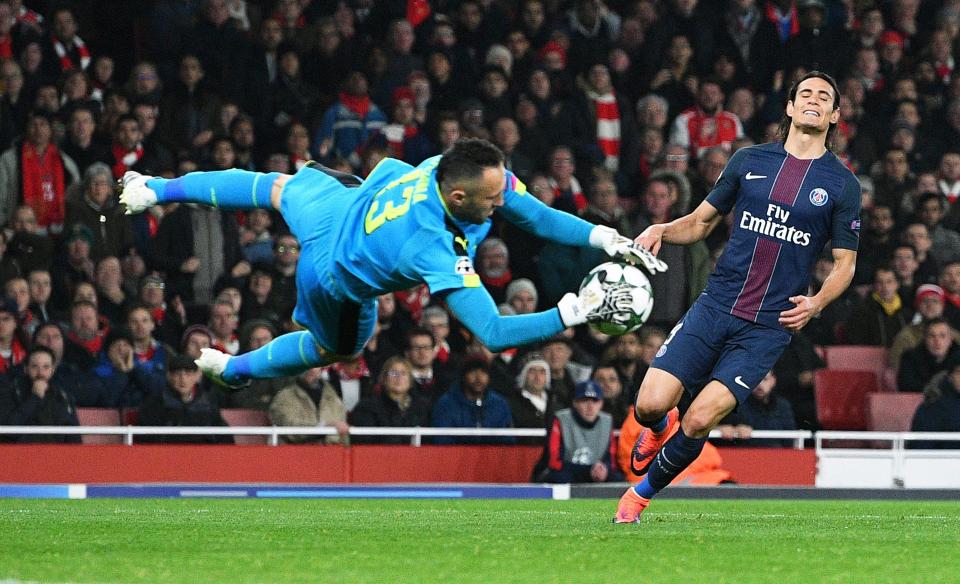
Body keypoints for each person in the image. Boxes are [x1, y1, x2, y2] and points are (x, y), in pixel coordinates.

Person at [120, 138, 661, 389]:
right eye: (493, 199)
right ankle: (236, 371)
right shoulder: (434, 246)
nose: (503, 203)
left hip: (345, 204)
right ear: (457, 199)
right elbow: (492, 333)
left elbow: (534, 214)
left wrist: (604, 237)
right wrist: (572, 313)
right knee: (337, 347)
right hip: (334, 272)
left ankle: (154, 187)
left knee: (276, 187)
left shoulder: (446, 168)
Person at [615, 71, 860, 523]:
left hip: (768, 326)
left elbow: (845, 264)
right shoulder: (749, 160)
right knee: (649, 405)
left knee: (699, 419)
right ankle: (657, 427)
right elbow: (703, 221)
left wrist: (817, 303)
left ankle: (639, 496)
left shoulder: (842, 184)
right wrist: (662, 230)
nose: (813, 99)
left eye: (824, 96)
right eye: (805, 93)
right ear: (789, 107)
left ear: (834, 115)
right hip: (715, 305)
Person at [536, 380, 623, 483]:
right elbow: (554, 462)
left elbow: (611, 461)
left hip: (594, 473)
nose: (590, 407)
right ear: (575, 403)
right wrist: (588, 470)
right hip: (567, 472)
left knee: (617, 478)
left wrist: (604, 469)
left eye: (595, 401)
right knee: (560, 478)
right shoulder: (561, 420)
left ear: (601, 404)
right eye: (584, 401)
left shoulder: (607, 421)